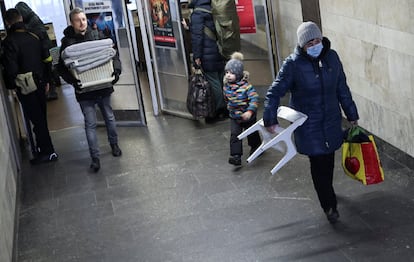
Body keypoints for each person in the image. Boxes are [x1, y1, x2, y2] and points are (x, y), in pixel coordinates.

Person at [263, 21, 359, 223]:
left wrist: (351, 114)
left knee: (329, 158)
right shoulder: (293, 64)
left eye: (317, 40)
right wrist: (269, 119)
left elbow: (342, 87)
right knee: (318, 162)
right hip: (309, 124)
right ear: (302, 45)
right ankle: (329, 205)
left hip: (331, 120)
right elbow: (274, 92)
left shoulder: (332, 58)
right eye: (310, 43)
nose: (315, 45)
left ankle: (328, 191)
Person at [57, 7, 122, 173]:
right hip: (84, 90)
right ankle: (95, 158)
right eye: (78, 20)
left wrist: (116, 70)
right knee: (90, 124)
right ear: (72, 23)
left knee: (109, 117)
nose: (82, 23)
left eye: (84, 19)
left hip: (102, 86)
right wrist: (73, 81)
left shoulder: (98, 35)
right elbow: (61, 68)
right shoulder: (67, 43)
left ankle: (114, 145)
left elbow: (113, 54)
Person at [1, 8, 58, 165]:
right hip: (40, 83)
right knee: (41, 119)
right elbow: (47, 59)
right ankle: (45, 148)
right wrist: (48, 81)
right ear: (21, 18)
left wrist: (11, 85)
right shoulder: (35, 36)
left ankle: (48, 152)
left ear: (7, 22)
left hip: (26, 87)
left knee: (37, 120)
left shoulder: (9, 42)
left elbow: (11, 70)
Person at [188, 0, 228, 122]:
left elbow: (197, 37)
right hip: (219, 50)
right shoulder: (213, 8)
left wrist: (197, 56)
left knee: (213, 81)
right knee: (220, 80)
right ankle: (226, 107)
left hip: (207, 53)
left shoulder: (197, 14)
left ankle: (219, 110)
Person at [223, 52, 261, 166]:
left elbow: (254, 99)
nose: (228, 75)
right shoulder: (226, 87)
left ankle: (256, 146)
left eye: (231, 73)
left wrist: (250, 111)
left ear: (238, 74)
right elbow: (227, 99)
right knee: (235, 135)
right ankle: (236, 156)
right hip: (235, 117)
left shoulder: (247, 87)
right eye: (227, 72)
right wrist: (230, 108)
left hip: (248, 116)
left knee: (252, 133)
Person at [15, 1, 59, 100]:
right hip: (45, 48)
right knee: (49, 70)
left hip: (44, 49)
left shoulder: (32, 21)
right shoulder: (33, 18)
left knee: (48, 71)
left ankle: (52, 91)